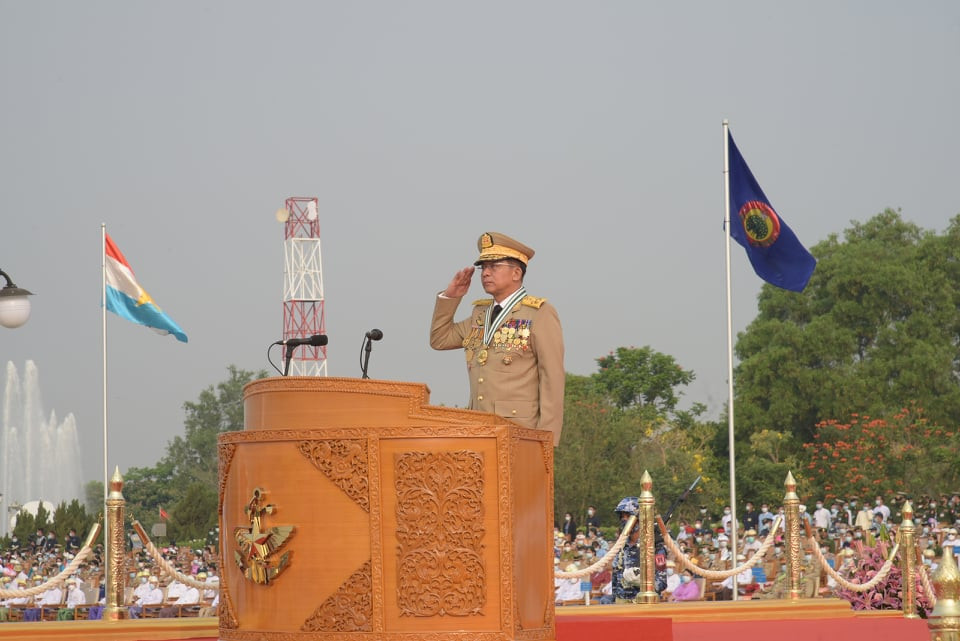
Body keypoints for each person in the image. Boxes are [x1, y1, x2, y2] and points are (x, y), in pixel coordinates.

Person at [430, 232, 565, 446]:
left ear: (516, 273)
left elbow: (552, 378)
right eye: (483, 267)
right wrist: (451, 297)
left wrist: (546, 439)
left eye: (494, 266)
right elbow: (440, 339)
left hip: (519, 432)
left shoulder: (539, 313)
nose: (486, 273)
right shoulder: (480, 314)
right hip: (478, 432)